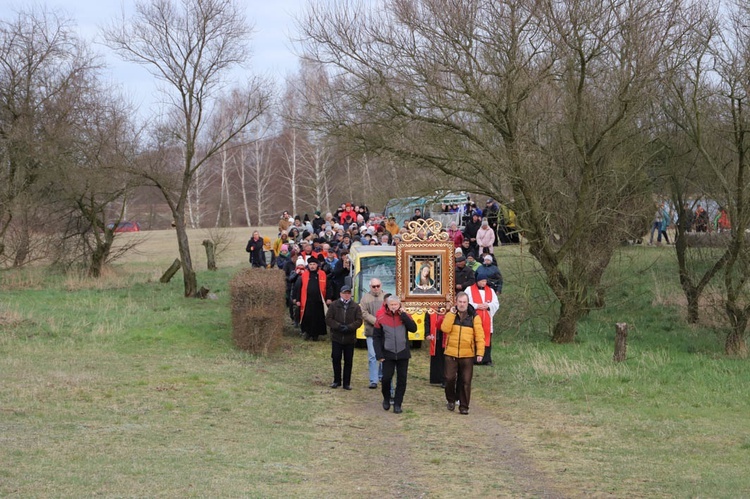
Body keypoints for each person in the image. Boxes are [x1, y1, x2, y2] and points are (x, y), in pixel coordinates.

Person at [441, 292, 485, 415]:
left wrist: (480, 352)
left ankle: (464, 406)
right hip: (451, 353)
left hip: (468, 354)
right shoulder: (451, 314)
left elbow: (480, 336)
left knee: (466, 381)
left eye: (464, 302)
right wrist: (451, 314)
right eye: (460, 302)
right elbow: (445, 329)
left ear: (468, 302)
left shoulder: (474, 317)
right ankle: (451, 399)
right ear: (456, 302)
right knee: (449, 378)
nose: (462, 304)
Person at [373, 295, 418, 414]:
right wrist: (379, 354)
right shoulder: (381, 318)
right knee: (386, 378)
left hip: (403, 353)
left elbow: (413, 329)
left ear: (399, 305)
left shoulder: (405, 316)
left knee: (402, 379)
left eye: (396, 304)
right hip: (388, 353)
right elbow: (376, 337)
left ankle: (398, 403)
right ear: (387, 305)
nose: (393, 307)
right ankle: (386, 398)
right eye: (391, 304)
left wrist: (404, 316)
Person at [325, 285, 363, 390]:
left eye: (348, 293)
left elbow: (359, 321)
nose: (347, 295)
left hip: (349, 338)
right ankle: (337, 380)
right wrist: (338, 326)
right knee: (336, 359)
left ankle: (347, 383)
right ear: (340, 294)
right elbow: (328, 319)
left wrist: (349, 327)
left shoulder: (355, 306)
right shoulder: (334, 305)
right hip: (337, 337)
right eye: (345, 293)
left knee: (348, 361)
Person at [293, 258, 332, 341]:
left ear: (317, 265)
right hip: (307, 301)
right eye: (310, 264)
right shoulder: (304, 275)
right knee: (307, 317)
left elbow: (328, 287)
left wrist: (328, 297)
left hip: (318, 300)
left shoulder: (322, 274)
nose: (312, 266)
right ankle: (307, 333)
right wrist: (298, 299)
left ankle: (316, 335)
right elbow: (299, 288)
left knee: (318, 318)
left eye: (314, 264)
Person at [467, 276, 500, 366]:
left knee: (486, 337)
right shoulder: (469, 289)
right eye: (482, 281)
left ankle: (486, 359)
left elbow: (495, 303)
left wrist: (488, 305)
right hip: (475, 317)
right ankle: (473, 359)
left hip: (487, 318)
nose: (483, 283)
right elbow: (466, 302)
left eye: (485, 281)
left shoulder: (491, 291)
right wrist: (477, 306)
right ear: (477, 281)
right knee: (475, 336)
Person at [360, 278, 385, 389]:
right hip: (371, 331)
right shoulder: (365, 298)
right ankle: (373, 380)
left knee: (384, 355)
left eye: (378, 286)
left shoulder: (386, 297)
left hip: (385, 331)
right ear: (370, 287)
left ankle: (382, 375)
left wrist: (383, 321)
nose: (376, 288)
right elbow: (363, 313)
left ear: (381, 285)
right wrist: (376, 321)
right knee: (372, 356)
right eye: (373, 286)